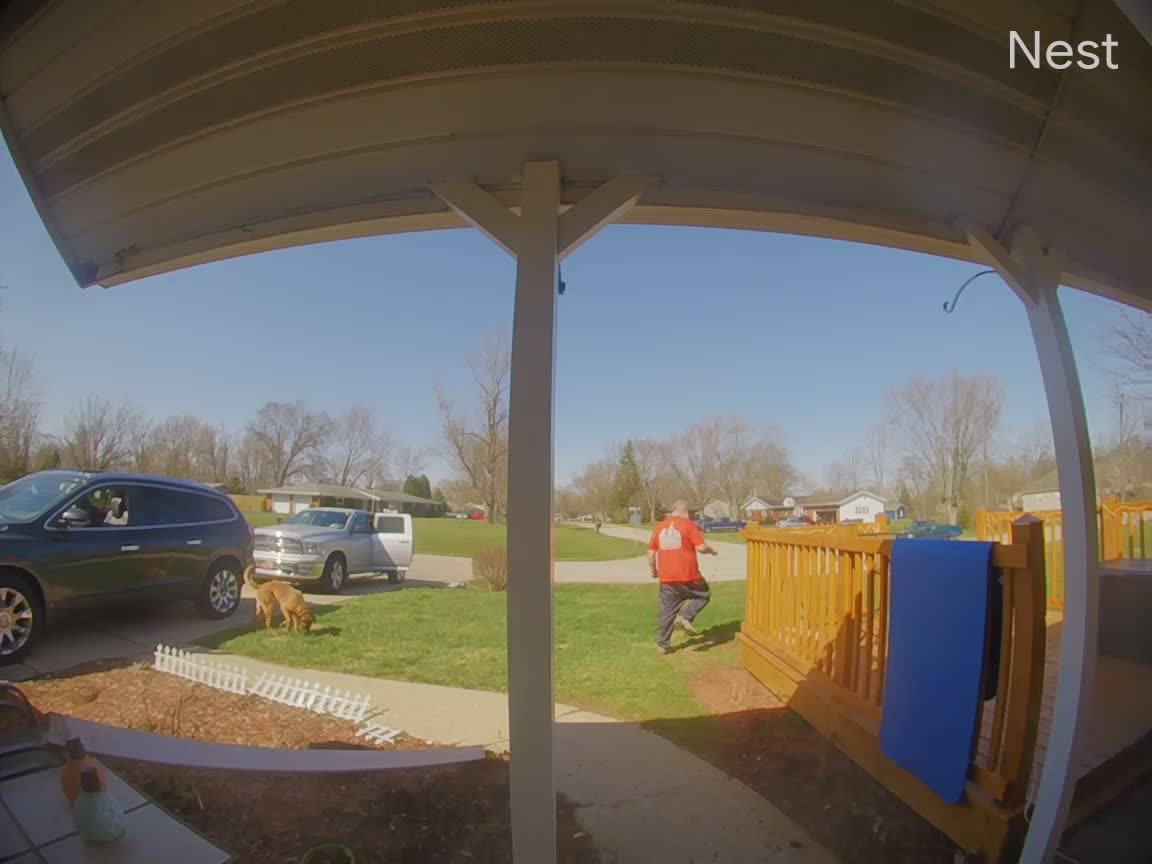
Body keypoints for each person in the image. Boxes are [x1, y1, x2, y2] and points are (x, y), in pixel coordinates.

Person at [648, 501, 718, 654]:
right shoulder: (689, 525)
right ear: (683, 511)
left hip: (667, 579)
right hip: (690, 576)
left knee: (667, 612)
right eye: (689, 513)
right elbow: (701, 547)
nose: (690, 515)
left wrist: (654, 571)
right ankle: (685, 616)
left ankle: (663, 645)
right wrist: (712, 550)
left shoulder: (659, 527)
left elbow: (651, 553)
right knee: (704, 595)